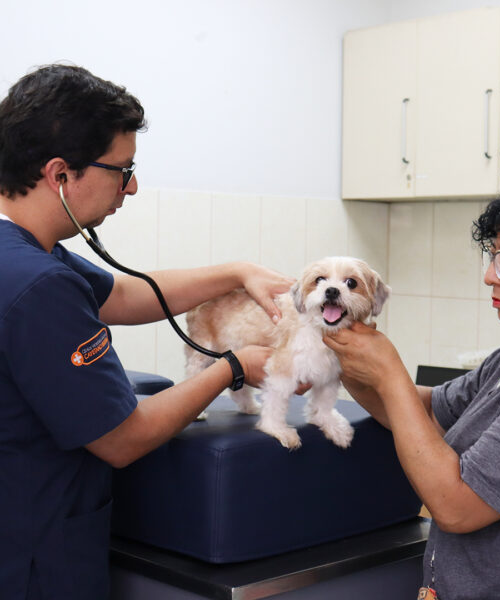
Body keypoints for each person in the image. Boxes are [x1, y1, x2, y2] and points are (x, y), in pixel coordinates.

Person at [0, 64, 295, 599]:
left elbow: (124, 294)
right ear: (60, 174)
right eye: (122, 168)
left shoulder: (25, 257)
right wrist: (234, 366)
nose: (131, 186)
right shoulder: (39, 285)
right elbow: (122, 437)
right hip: (30, 561)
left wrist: (235, 273)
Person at [324, 175, 500, 598]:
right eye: (493, 257)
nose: (491, 276)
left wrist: (390, 372)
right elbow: (428, 414)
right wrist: (340, 358)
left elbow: (456, 506)